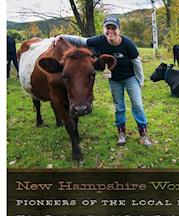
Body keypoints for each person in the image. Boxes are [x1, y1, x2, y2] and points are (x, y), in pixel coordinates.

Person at [53, 15, 152, 147]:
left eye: (114, 28)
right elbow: (82, 40)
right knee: (119, 106)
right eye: (107, 28)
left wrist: (140, 81)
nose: (110, 31)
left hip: (130, 78)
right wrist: (62, 36)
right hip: (115, 80)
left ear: (119, 30)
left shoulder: (128, 44)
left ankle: (143, 134)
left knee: (137, 105)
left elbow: (137, 62)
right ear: (104, 29)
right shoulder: (99, 40)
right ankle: (121, 133)